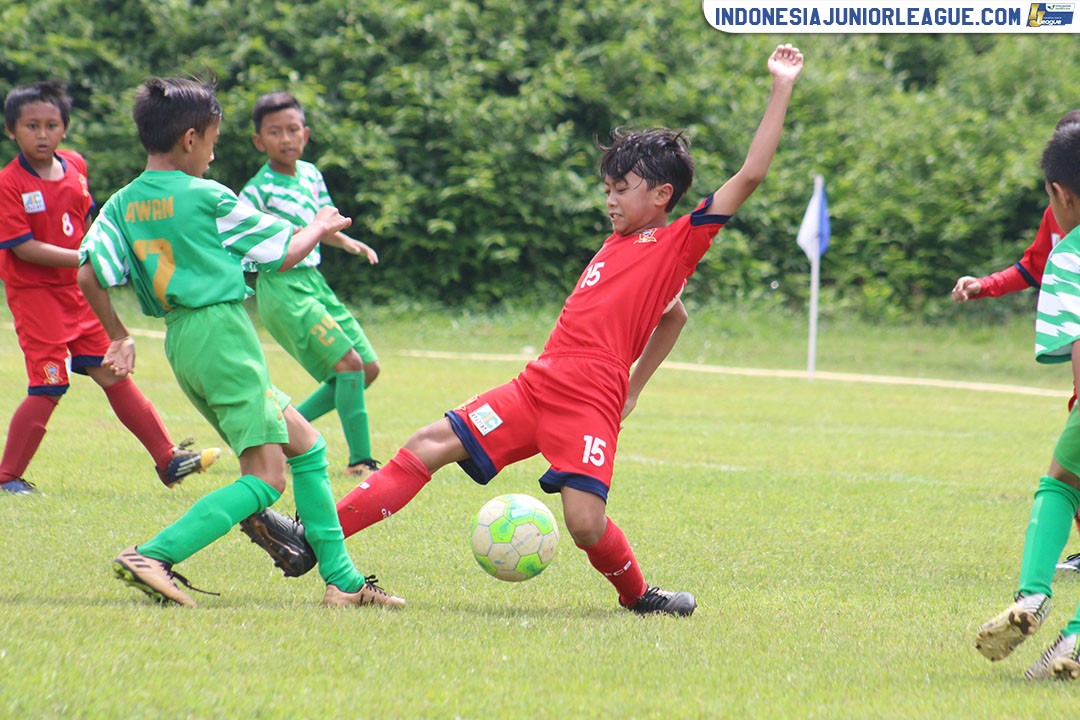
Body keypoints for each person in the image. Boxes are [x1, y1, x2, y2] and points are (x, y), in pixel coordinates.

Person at [240, 44, 805, 615]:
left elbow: (751, 173)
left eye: (621, 189)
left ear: (662, 195)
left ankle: (640, 596)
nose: (609, 198)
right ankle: (311, 540)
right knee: (426, 444)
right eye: (606, 188)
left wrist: (780, 84)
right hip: (536, 386)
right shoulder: (617, 243)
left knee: (585, 525)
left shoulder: (677, 242)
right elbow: (674, 314)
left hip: (590, 400)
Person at [76, 76, 403, 609]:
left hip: (183, 341)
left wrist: (119, 335)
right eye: (212, 141)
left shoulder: (120, 205)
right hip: (223, 334)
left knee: (308, 446)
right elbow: (282, 252)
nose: (211, 153)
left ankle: (342, 582)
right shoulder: (207, 196)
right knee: (266, 478)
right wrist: (319, 225)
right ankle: (154, 553)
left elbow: (89, 273)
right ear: (189, 139)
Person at [0, 80, 219, 495]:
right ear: (12, 131)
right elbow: (24, 248)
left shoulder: (76, 166)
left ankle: (168, 460)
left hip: (79, 296)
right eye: (31, 126)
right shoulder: (9, 183)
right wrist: (86, 258)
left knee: (114, 373)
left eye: (51, 124)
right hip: (36, 299)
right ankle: (7, 477)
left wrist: (98, 251)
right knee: (48, 384)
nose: (42, 133)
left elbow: (88, 222)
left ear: (64, 128)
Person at [952, 110, 1080, 574]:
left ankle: (1035, 590)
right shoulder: (1056, 216)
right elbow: (1032, 268)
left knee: (1064, 467)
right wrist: (983, 285)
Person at [974, 122, 1080, 680]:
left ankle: (1034, 596)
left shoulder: (1071, 255)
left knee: (1058, 483)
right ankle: (1077, 640)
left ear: (1060, 194)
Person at [238, 91, 382, 479]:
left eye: (292, 129)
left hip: (314, 282)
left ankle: (286, 429)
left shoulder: (312, 174)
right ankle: (360, 461)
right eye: (274, 132)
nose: (285, 139)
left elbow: (323, 223)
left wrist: (350, 241)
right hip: (282, 287)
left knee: (366, 368)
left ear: (306, 133)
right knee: (348, 365)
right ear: (259, 141)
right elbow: (236, 237)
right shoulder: (256, 190)